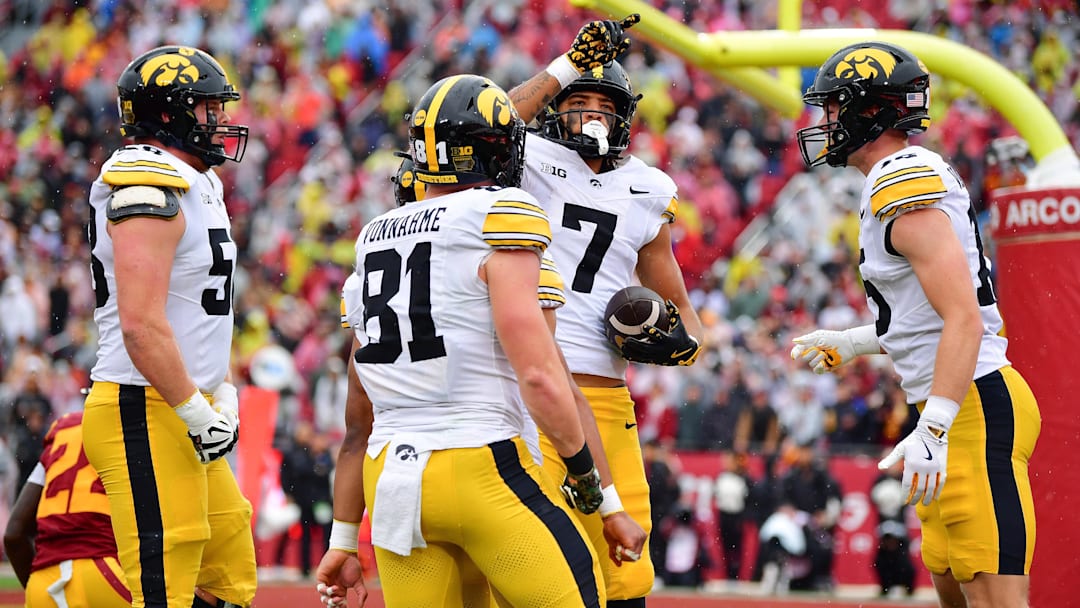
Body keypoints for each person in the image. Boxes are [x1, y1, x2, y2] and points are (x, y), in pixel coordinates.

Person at [316, 74, 609, 608]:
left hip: (393, 480)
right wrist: (588, 476)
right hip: (480, 462)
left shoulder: (370, 240)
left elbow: (358, 419)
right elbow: (542, 375)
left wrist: (341, 537)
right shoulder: (500, 213)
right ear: (497, 150)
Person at [790, 41, 1041, 608]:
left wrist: (936, 428)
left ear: (870, 111)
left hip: (972, 405)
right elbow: (924, 318)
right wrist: (854, 342)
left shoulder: (901, 179)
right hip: (951, 402)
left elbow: (963, 318)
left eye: (833, 109)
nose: (824, 122)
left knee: (998, 603)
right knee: (954, 592)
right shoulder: (893, 179)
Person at [508, 16, 705, 606]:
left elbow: (677, 302)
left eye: (603, 104)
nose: (591, 114)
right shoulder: (527, 155)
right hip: (529, 388)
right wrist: (566, 66)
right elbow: (487, 120)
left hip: (605, 392)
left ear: (624, 115)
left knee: (624, 566)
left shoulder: (648, 187)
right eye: (578, 102)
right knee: (542, 560)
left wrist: (685, 339)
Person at [81, 45, 256, 608]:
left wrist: (217, 383)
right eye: (207, 109)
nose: (220, 121)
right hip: (144, 406)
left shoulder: (197, 181)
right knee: (164, 590)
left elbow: (194, 307)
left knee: (228, 577)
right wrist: (193, 408)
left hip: (180, 403)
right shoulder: (145, 178)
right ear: (168, 114)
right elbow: (140, 322)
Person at [4, 412, 131, 608]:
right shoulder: (137, 421)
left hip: (43, 583)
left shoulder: (64, 428)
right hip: (104, 571)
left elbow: (13, 534)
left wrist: (36, 587)